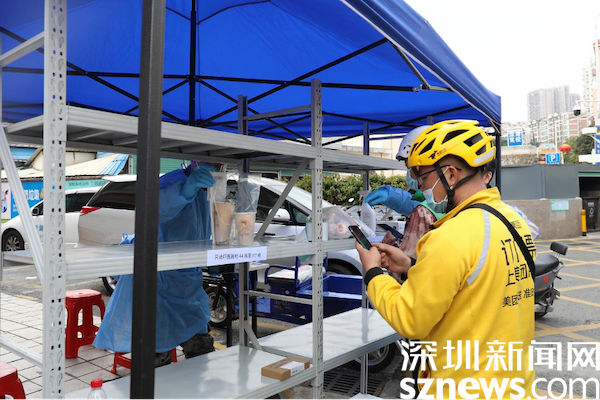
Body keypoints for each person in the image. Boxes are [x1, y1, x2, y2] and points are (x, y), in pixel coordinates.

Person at [356, 120, 536, 399]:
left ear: (451, 175)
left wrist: (373, 272)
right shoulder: (514, 221)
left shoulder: (450, 236)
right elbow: (476, 284)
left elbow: (409, 319)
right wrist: (411, 267)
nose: (420, 187)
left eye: (423, 178)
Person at [94, 164, 217, 366]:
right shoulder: (171, 182)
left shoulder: (210, 192)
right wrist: (185, 190)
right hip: (157, 286)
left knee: (201, 354)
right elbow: (150, 211)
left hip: (188, 284)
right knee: (156, 362)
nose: (216, 167)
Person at [365, 125, 442, 281]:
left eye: (411, 168)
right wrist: (395, 197)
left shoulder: (423, 212)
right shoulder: (462, 208)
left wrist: (374, 268)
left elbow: (406, 273)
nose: (410, 174)